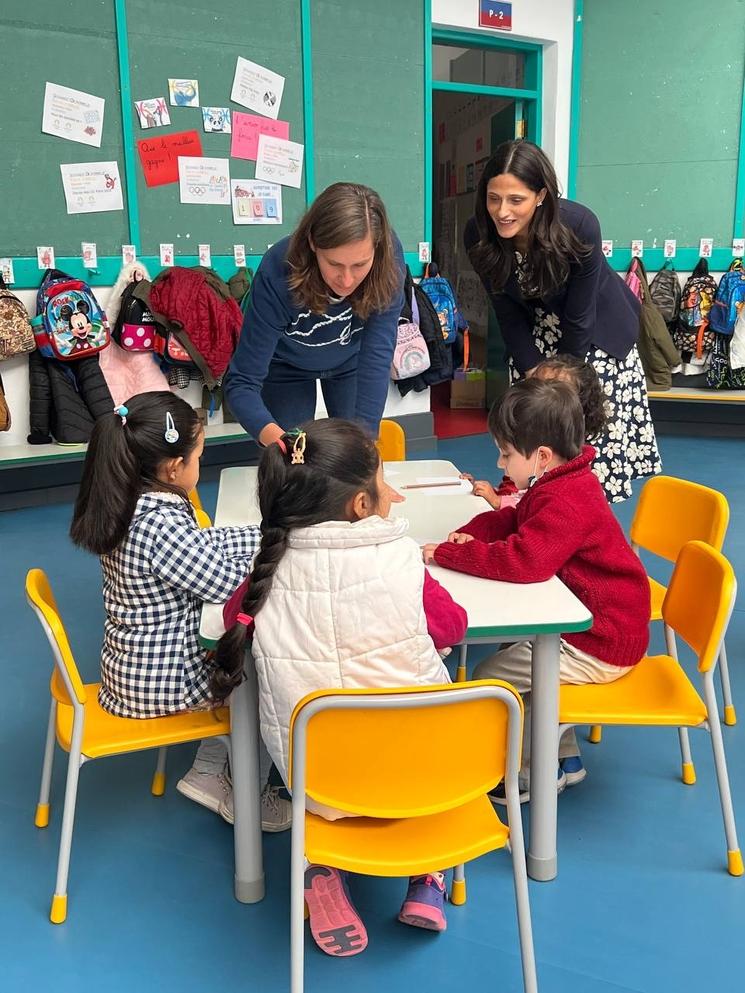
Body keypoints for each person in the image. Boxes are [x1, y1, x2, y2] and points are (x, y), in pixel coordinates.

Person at [216, 418, 468, 955]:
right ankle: (427, 880)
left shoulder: (270, 570)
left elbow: (234, 616)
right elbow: (452, 627)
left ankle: (322, 866)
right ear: (361, 505)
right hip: (421, 774)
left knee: (328, 759)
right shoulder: (401, 560)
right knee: (419, 747)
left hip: (318, 778)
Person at [69, 391, 291, 832]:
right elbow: (229, 586)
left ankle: (209, 772)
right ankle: (243, 791)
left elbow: (203, 549)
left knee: (243, 664)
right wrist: (283, 554)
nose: (199, 467)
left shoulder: (136, 502)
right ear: (173, 468)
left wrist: (268, 532)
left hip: (134, 668)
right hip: (160, 682)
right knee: (265, 680)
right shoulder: (159, 523)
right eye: (198, 458)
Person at [422, 379, 650, 799]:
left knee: (491, 675)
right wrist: (464, 535)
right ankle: (563, 758)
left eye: (507, 454)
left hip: (602, 641)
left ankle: (527, 774)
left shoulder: (564, 499)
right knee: (518, 660)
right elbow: (511, 523)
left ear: (542, 456)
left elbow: (525, 562)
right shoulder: (558, 480)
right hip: (602, 627)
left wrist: (451, 556)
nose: (501, 463)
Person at [465, 139, 661, 502]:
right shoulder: (478, 233)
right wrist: (531, 370)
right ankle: (535, 533)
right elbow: (505, 311)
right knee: (531, 446)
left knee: (585, 459)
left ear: (540, 195)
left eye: (516, 200)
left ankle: (584, 541)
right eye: (494, 198)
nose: (502, 212)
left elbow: (581, 314)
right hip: (534, 340)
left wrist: (564, 380)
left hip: (596, 340)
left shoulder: (578, 224)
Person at [225, 182, 405, 447]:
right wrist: (278, 442)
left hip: (350, 364)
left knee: (356, 451)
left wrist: (367, 451)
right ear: (312, 243)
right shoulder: (278, 271)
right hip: (286, 368)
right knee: (296, 465)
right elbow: (241, 382)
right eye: (334, 264)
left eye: (359, 265)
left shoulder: (388, 260)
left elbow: (377, 353)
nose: (346, 280)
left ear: (376, 251)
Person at [462, 354, 608, 509]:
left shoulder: (563, 470)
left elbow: (537, 506)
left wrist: (498, 502)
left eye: (551, 390)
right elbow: (515, 491)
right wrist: (486, 493)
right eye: (534, 384)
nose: (535, 394)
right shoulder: (527, 448)